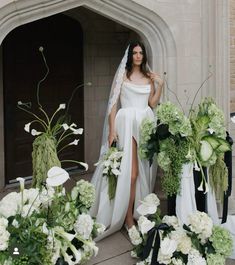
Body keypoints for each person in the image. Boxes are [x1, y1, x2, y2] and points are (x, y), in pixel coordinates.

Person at [90, 41, 164, 240]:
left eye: (141, 53)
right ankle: (128, 217)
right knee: (130, 174)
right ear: (130, 56)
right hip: (126, 124)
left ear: (144, 55)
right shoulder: (123, 76)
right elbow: (113, 105)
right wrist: (112, 130)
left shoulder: (149, 78)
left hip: (144, 124)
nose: (138, 56)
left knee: (141, 172)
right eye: (135, 53)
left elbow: (152, 103)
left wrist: (160, 85)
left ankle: (136, 211)